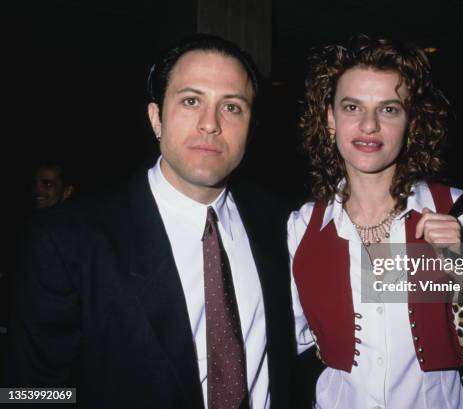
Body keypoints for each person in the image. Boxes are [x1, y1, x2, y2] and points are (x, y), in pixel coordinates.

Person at [5, 33, 295, 409]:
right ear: (156, 118)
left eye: (232, 107)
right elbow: (29, 393)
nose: (211, 124)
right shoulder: (66, 240)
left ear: (251, 127)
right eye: (191, 101)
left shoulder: (280, 223)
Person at [288, 34, 463, 409]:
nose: (369, 125)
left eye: (389, 109)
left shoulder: (461, 213)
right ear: (330, 118)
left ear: (411, 121)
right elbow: (282, 338)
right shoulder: (302, 227)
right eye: (352, 107)